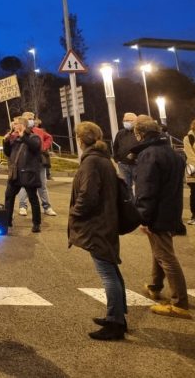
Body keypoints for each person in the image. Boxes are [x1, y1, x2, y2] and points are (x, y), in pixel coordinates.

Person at [68, 121, 127, 340]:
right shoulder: (103, 158)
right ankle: (117, 314)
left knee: (107, 273)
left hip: (98, 224)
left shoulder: (91, 162)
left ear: (81, 140)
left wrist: (75, 212)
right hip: (106, 220)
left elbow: (88, 195)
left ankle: (115, 322)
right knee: (111, 270)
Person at [133, 115, 190, 318]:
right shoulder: (173, 153)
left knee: (166, 256)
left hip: (158, 212)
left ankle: (180, 302)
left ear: (139, 133)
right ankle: (155, 286)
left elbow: (147, 188)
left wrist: (144, 217)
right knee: (159, 251)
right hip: (171, 210)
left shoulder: (149, 154)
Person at [3, 117, 43, 233]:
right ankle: (7, 220)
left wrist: (23, 136)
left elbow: (35, 146)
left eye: (16, 124)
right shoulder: (16, 139)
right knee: (9, 197)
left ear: (22, 125)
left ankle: (36, 224)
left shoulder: (33, 137)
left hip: (28, 175)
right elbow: (8, 153)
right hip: (15, 175)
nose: (13, 126)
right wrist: (6, 142)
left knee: (33, 199)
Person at [17, 112, 57, 217]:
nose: (31, 120)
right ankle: (22, 206)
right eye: (28, 118)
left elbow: (49, 138)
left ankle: (47, 207)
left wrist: (44, 147)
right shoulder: (19, 131)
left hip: (39, 163)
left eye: (32, 118)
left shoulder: (39, 131)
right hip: (25, 164)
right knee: (23, 186)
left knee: (42, 185)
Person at [112, 113, 139, 194]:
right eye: (124, 120)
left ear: (135, 121)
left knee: (140, 186)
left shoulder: (139, 132)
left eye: (128, 120)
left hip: (137, 165)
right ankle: (130, 205)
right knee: (126, 188)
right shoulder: (120, 133)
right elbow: (115, 146)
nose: (125, 122)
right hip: (123, 165)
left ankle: (139, 205)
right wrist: (117, 159)